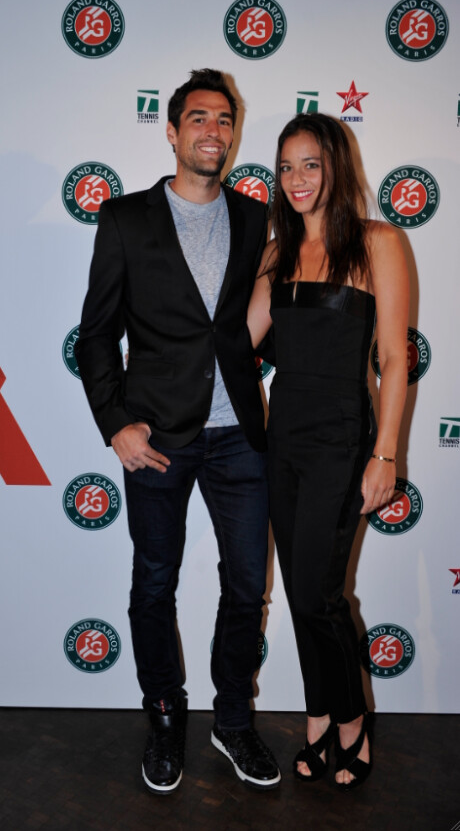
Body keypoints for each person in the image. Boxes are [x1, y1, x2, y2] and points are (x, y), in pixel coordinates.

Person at [75, 69, 280, 794]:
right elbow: (95, 335)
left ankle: (232, 720)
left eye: (224, 120)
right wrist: (114, 424)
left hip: (240, 439)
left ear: (234, 132)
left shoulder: (257, 218)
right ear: (171, 130)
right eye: (198, 118)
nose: (212, 132)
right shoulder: (126, 218)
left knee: (248, 582)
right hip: (158, 436)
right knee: (154, 582)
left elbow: (257, 323)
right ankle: (165, 716)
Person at [247, 113, 409, 791]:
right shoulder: (275, 250)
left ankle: (351, 718)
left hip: (344, 440)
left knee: (318, 592)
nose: (297, 178)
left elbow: (396, 359)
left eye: (310, 163)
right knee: (302, 591)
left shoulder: (379, 242)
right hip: (280, 437)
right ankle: (319, 712)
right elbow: (240, 338)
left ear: (336, 166)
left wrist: (386, 454)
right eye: (285, 166)